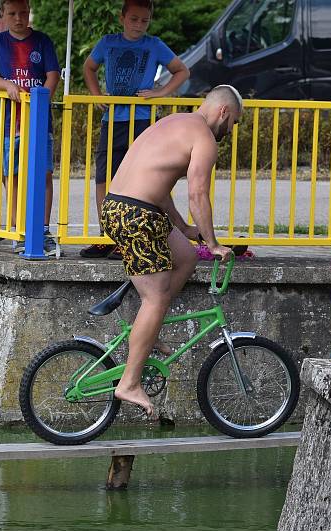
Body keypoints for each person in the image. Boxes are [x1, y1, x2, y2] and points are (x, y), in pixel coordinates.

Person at [100, 85, 239, 417]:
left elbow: (160, 190)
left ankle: (148, 334)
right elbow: (198, 194)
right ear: (223, 112)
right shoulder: (204, 139)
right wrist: (213, 242)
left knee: (186, 257)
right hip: (136, 216)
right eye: (234, 123)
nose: (231, 131)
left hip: (123, 207)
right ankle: (129, 383)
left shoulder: (175, 122)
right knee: (156, 297)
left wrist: (186, 231)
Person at [78, 0, 190, 259]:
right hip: (114, 120)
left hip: (142, 120)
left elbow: (182, 71)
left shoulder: (154, 44)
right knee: (105, 176)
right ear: (122, 18)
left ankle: (134, 237)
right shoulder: (108, 42)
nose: (139, 25)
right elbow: (89, 67)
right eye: (134, 19)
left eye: (144, 20)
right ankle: (106, 236)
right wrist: (98, 97)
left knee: (143, 177)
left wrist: (159, 93)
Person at [0, 0, 60, 250]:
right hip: (7, 122)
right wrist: (8, 85)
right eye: (13, 13)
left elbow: (52, 74)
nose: (19, 18)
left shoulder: (42, 40)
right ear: (2, 14)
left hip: (39, 121)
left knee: (43, 174)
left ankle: (43, 229)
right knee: (12, 176)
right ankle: (18, 229)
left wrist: (42, 99)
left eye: (24, 13)